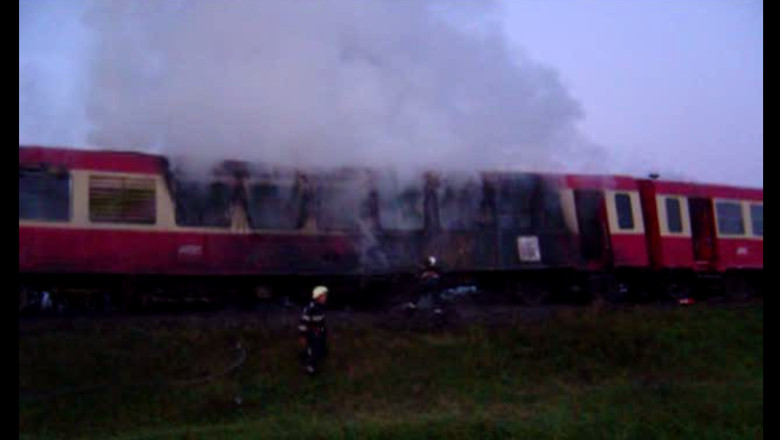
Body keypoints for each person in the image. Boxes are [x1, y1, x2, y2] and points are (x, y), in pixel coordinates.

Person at [298, 285, 329, 375]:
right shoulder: (310, 308)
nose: (325, 298)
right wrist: (303, 335)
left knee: (320, 349)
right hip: (312, 333)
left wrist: (323, 331)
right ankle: (311, 369)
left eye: (325, 296)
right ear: (317, 297)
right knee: (314, 350)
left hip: (319, 333)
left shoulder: (320, 307)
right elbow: (303, 322)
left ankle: (310, 354)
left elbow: (321, 320)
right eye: (323, 296)